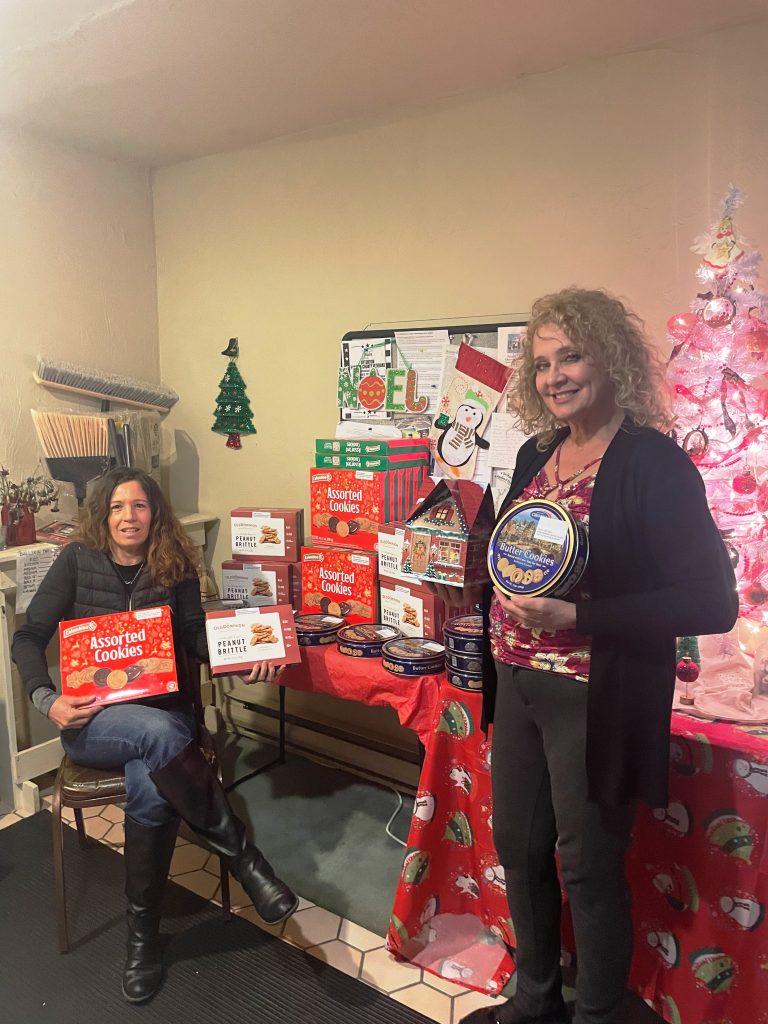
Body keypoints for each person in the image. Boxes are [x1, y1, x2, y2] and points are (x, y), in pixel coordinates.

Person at [431, 288, 738, 1024]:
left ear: (610, 359)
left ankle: (598, 1013)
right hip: (518, 680)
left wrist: (582, 615)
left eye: (570, 355)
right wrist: (472, 580)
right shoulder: (539, 451)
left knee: (588, 865)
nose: (554, 375)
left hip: (595, 696)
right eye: (541, 364)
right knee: (520, 846)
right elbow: (518, 552)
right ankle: (534, 1000)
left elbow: (709, 603)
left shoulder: (653, 464)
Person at [12, 468, 298, 1003]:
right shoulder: (75, 560)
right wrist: (47, 700)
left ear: (154, 513)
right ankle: (243, 859)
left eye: (139, 506)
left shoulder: (174, 564)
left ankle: (141, 939)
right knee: (163, 735)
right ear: (103, 513)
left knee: (152, 776)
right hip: (94, 722)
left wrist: (245, 655)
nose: (128, 517)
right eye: (118, 507)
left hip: (163, 718)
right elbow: (28, 636)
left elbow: (193, 637)